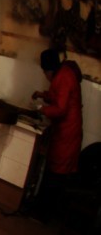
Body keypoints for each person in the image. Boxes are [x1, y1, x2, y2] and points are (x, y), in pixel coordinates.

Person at [31, 48, 83, 214]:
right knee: (54, 170)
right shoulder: (63, 73)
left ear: (49, 70)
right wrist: (42, 95)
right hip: (64, 132)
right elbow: (58, 96)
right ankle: (43, 208)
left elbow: (60, 109)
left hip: (68, 133)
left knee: (57, 173)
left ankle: (45, 212)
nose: (45, 77)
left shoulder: (63, 77)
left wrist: (41, 109)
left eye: (45, 72)